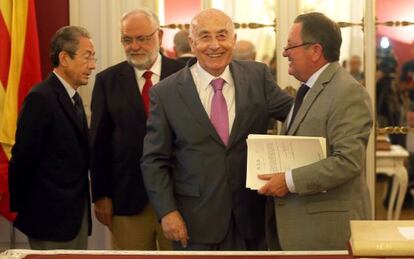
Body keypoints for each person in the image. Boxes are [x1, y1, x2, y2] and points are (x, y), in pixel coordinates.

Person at [141, 8, 292, 251]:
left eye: (222, 36)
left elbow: (297, 114)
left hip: (251, 220)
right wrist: (167, 212)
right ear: (192, 42)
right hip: (194, 224)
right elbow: (154, 160)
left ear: (233, 39)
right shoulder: (166, 92)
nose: (215, 45)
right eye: (205, 36)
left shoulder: (258, 77)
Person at [258, 12, 373, 250]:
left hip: (325, 233)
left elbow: (348, 161)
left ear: (316, 51)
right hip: (299, 230)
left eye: (290, 46)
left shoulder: (347, 92)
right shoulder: (308, 90)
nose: (284, 53)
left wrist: (288, 181)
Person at [89, 9, 185, 250]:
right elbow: (98, 143)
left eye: (142, 38)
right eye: (127, 40)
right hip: (127, 199)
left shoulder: (186, 75)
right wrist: (101, 194)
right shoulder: (107, 81)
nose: (134, 46)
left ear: (159, 36)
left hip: (180, 198)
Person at [8, 26, 95, 249]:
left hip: (75, 218)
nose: (93, 66)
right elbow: (23, 160)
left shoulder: (73, 98)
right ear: (64, 58)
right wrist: (28, 208)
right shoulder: (41, 98)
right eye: (87, 57)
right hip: (49, 219)